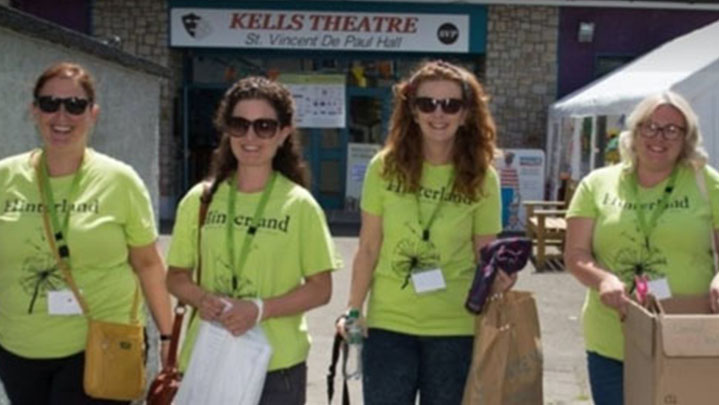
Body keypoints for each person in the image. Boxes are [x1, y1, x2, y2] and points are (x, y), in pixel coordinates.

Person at [336, 60, 514, 405]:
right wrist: (353, 310)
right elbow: (369, 248)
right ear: (412, 111)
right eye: (427, 103)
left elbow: (485, 254)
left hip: (455, 328)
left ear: (466, 114)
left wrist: (500, 277)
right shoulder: (384, 167)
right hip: (389, 326)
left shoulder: (483, 176)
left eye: (451, 104)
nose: (439, 113)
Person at [0, 62, 173, 404]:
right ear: (35, 111)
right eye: (49, 103)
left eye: (75, 105)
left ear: (93, 113)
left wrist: (169, 338)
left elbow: (148, 264)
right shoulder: (5, 177)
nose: (61, 115)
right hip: (18, 347)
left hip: (101, 344)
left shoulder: (119, 181)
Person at [166, 76, 341, 404]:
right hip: (209, 355)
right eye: (239, 124)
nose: (250, 136)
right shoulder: (200, 199)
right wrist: (202, 299)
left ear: (283, 133)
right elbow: (175, 277)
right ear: (226, 130)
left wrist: (260, 309)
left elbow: (321, 288)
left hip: (277, 368)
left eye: (264, 126)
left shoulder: (300, 205)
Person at [565, 90, 719, 405]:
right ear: (633, 133)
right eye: (649, 126)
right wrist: (602, 279)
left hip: (688, 338)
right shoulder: (597, 184)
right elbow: (575, 255)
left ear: (686, 138)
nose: (658, 137)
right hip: (613, 338)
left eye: (671, 129)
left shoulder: (707, 182)